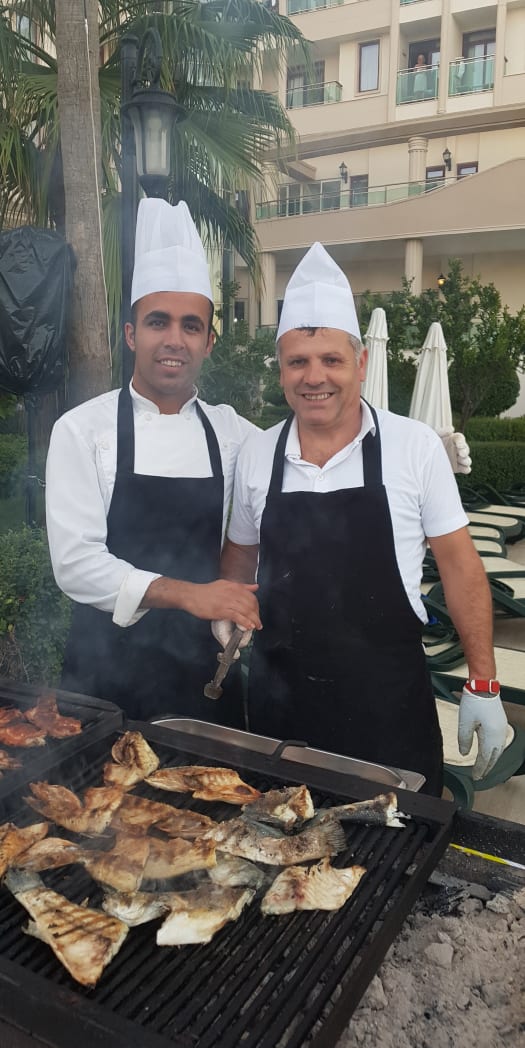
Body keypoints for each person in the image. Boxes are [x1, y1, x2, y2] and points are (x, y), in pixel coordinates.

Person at [213, 243, 508, 795]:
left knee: (399, 840)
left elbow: (460, 567)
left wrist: (484, 681)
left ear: (361, 363)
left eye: (331, 360)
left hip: (387, 709)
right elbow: (241, 551)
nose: (314, 377)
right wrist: (227, 604)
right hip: (282, 708)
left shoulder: (414, 446)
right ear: (281, 369)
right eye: (298, 361)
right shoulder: (257, 452)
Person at [46, 198, 261, 724]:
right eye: (158, 322)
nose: (173, 340)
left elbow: (302, 456)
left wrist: (411, 444)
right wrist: (191, 595)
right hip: (101, 677)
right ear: (131, 334)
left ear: (209, 342)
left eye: (191, 326)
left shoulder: (232, 433)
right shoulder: (81, 430)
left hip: (205, 671)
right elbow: (76, 564)